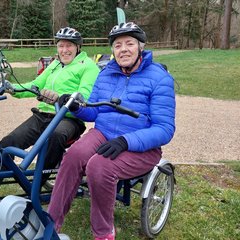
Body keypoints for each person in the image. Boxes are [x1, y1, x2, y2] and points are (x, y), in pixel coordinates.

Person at [47, 22, 176, 240]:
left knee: (100, 166)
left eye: (129, 44)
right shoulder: (106, 74)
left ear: (140, 47)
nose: (123, 49)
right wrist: (79, 108)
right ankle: (50, 223)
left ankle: (104, 232)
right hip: (103, 133)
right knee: (73, 157)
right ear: (112, 50)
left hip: (141, 146)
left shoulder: (160, 78)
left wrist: (126, 141)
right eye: (117, 45)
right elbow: (94, 112)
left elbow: (164, 129)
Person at [0, 27, 100, 192]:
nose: (64, 50)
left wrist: (60, 97)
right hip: (42, 116)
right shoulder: (54, 64)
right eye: (61, 46)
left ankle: (35, 185)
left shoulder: (88, 67)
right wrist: (12, 88)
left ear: (78, 47)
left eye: (69, 46)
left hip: (68, 119)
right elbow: (35, 85)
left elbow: (84, 96)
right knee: (6, 144)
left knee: (55, 135)